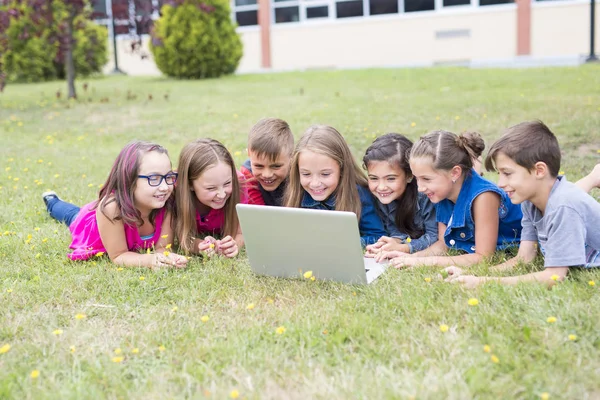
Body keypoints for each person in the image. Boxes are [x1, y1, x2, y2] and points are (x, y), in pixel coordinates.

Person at [444, 121, 600, 287]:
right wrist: (471, 274)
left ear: (539, 171)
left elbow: (554, 276)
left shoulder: (563, 206)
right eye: (499, 174)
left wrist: (483, 282)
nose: (501, 183)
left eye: (507, 173)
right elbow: (524, 258)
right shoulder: (530, 202)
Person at [379, 130, 522, 268]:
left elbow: (484, 257)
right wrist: (411, 257)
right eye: (417, 179)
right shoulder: (441, 194)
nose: (420, 188)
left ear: (455, 173)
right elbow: (443, 245)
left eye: (426, 179)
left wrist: (425, 262)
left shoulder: (484, 197)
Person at [42, 140, 188, 268]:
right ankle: (52, 201)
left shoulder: (168, 202)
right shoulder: (111, 209)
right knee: (71, 215)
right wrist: (148, 260)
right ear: (129, 179)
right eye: (154, 178)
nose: (164, 187)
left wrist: (166, 258)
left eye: (168, 176)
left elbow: (163, 248)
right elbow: (119, 256)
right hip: (91, 226)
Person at [284, 124, 386, 246]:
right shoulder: (297, 192)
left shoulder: (359, 195)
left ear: (342, 169)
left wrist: (338, 244)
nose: (315, 183)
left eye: (325, 174)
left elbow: (378, 236)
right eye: (306, 174)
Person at [362, 133, 438, 256]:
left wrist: (405, 248)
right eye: (374, 178)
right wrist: (394, 242)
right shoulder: (380, 197)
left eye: (390, 178)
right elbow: (396, 231)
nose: (381, 187)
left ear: (409, 175)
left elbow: (435, 237)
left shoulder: (426, 196)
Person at [174, 138, 246, 258]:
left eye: (227, 183)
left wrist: (234, 245)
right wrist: (200, 246)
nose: (222, 194)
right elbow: (182, 235)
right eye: (211, 188)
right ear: (190, 184)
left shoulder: (239, 184)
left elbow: (241, 232)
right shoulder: (175, 190)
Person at [239, 118, 294, 206]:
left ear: (291, 157)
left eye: (276, 166)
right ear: (249, 153)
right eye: (259, 166)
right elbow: (258, 212)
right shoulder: (247, 175)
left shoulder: (302, 173)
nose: (267, 174)